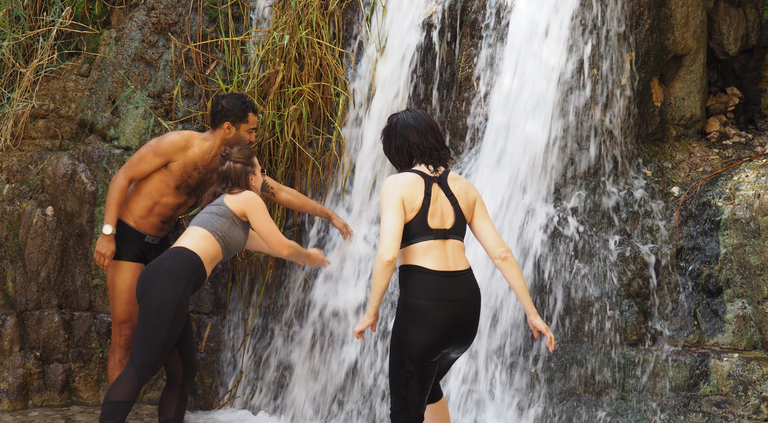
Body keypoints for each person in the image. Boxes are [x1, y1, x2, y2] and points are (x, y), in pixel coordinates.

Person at [93, 92, 352, 383]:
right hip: (129, 236)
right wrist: (107, 233)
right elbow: (123, 177)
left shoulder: (228, 164)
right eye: (250, 131)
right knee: (126, 330)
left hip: (162, 244)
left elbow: (276, 191)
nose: (254, 138)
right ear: (228, 128)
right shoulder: (178, 144)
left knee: (165, 338)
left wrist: (328, 214)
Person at [99, 144, 330, 423]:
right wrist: (309, 255)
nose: (263, 176)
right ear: (252, 177)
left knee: (183, 372)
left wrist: (299, 258)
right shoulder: (247, 198)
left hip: (163, 277)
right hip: (171, 279)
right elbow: (282, 245)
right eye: (261, 171)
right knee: (140, 368)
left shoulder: (227, 209)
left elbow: (266, 245)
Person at [353, 109, 555, 423]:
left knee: (405, 413)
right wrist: (533, 313)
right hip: (466, 313)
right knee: (429, 383)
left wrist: (371, 311)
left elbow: (388, 256)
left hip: (424, 308)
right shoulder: (465, 187)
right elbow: (500, 252)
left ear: (397, 149)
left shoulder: (397, 185)